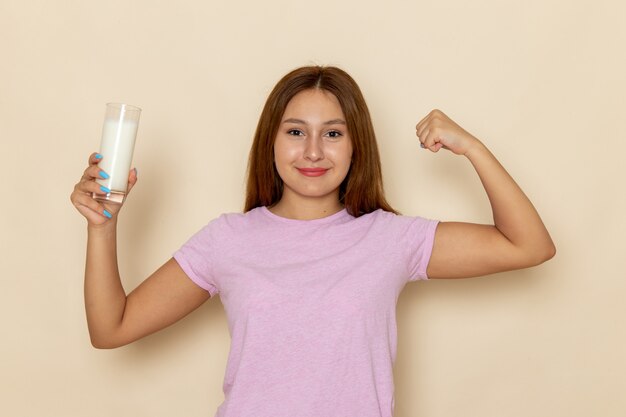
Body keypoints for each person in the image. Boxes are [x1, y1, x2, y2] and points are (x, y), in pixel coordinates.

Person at [70, 66, 555, 417]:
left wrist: (472, 147)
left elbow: (528, 246)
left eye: (334, 133)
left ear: (355, 144)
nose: (313, 152)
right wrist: (102, 226)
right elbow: (111, 328)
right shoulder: (228, 240)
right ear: (272, 141)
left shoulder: (389, 237)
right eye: (296, 131)